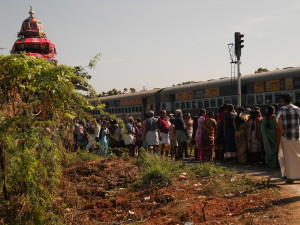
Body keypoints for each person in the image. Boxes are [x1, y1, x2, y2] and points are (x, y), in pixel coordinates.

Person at [275, 92, 300, 184]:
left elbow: (276, 119)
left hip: (287, 136)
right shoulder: (297, 108)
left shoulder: (283, 109)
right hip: (297, 134)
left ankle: (290, 178)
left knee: (288, 157)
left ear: (284, 100)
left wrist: (281, 129)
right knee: (298, 155)